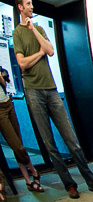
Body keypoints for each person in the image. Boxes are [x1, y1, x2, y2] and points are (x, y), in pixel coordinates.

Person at [13, 0, 93, 199]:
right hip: (33, 93)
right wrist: (39, 53)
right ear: (20, 7)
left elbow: (50, 50)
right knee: (50, 145)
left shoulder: (38, 28)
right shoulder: (16, 34)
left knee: (72, 140)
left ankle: (92, 182)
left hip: (51, 90)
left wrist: (35, 31)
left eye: (32, 2)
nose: (32, 6)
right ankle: (70, 185)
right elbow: (22, 64)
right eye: (28, 4)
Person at [0, 66, 44, 194]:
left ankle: (28, 182)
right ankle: (34, 170)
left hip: (8, 103)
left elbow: (4, 84)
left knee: (19, 144)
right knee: (17, 146)